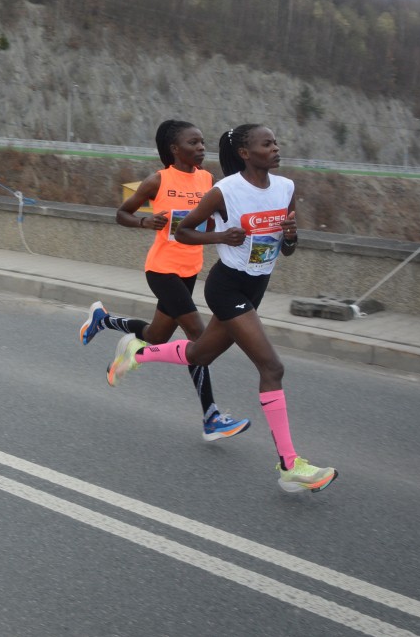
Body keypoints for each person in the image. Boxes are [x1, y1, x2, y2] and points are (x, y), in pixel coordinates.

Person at [106, 123, 337, 493]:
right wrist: (222, 237)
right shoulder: (224, 190)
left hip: (257, 285)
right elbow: (183, 231)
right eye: (267, 144)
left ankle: (138, 354)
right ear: (245, 153)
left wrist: (292, 237)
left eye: (276, 142)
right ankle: (290, 466)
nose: (276, 148)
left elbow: (288, 248)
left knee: (201, 354)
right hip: (227, 285)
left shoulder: (286, 188)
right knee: (272, 367)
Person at [79, 120, 250, 442]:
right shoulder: (158, 180)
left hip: (190, 269)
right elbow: (122, 213)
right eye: (193, 142)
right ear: (175, 149)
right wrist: (145, 222)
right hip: (162, 269)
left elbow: (218, 215)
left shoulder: (207, 179)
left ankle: (103, 320)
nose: (201, 147)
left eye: (202, 142)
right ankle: (211, 417)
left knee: (156, 335)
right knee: (198, 338)